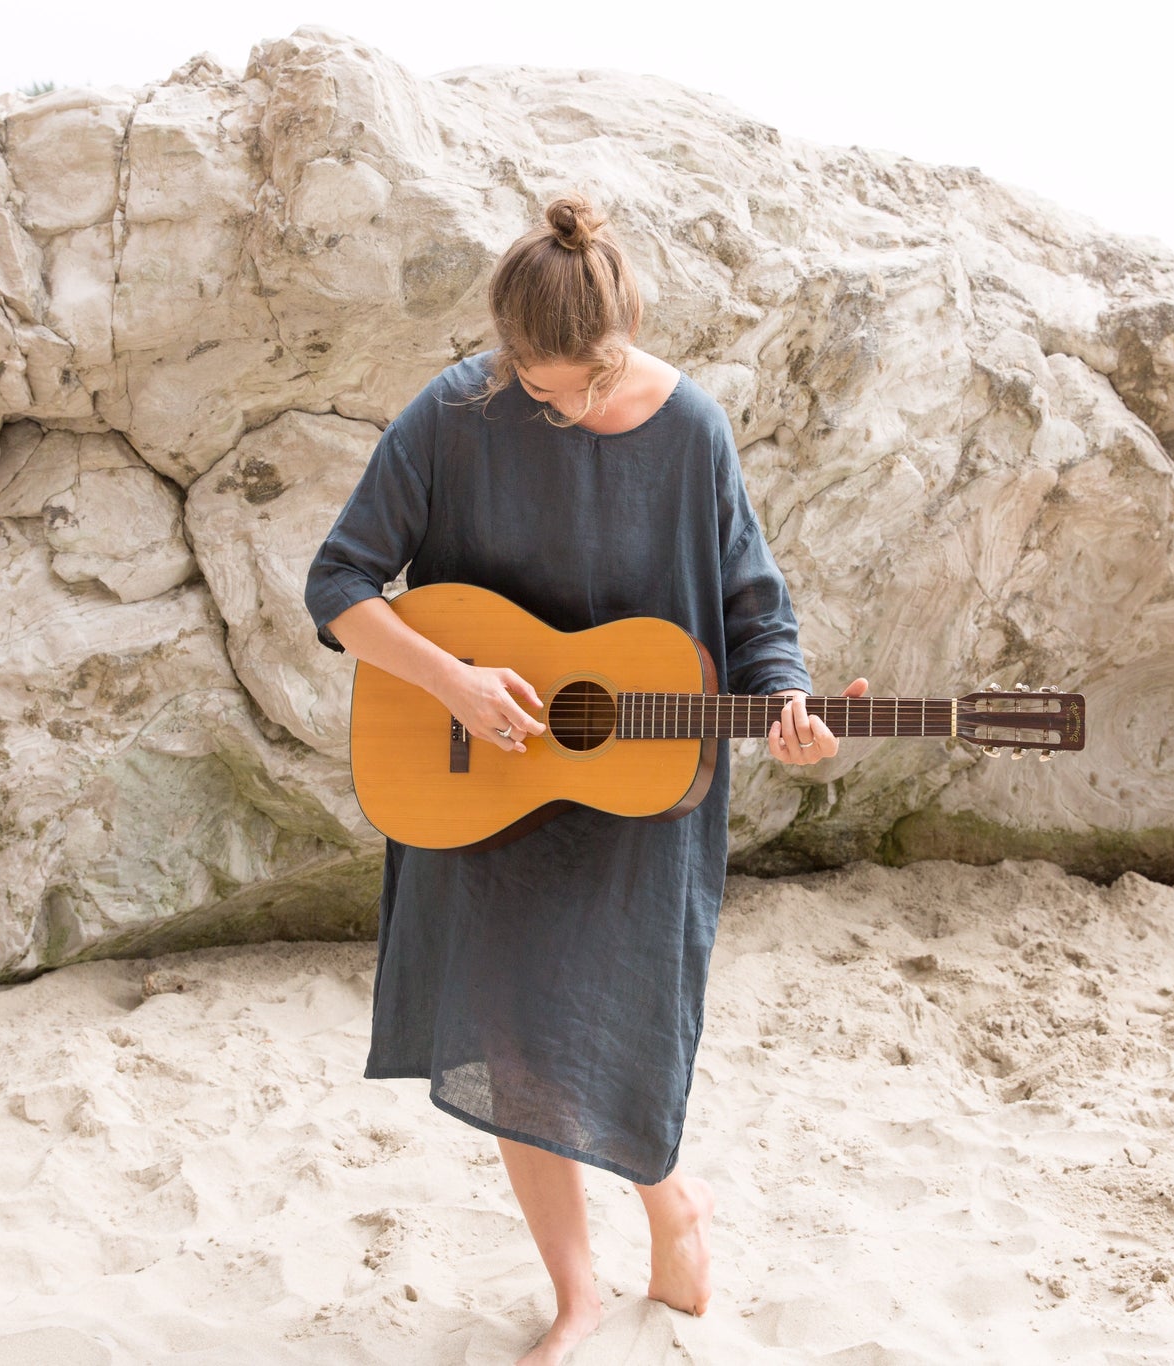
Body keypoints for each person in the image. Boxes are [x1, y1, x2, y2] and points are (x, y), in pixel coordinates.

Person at [304, 193, 866, 1366]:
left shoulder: (692, 429)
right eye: (529, 377)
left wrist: (790, 704)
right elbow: (341, 584)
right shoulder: (457, 409)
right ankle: (575, 1293)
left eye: (574, 383)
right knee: (507, 1036)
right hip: (480, 782)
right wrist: (452, 679)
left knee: (613, 1027)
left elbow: (755, 608)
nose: (549, 401)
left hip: (639, 790)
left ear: (623, 333)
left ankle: (668, 1199)